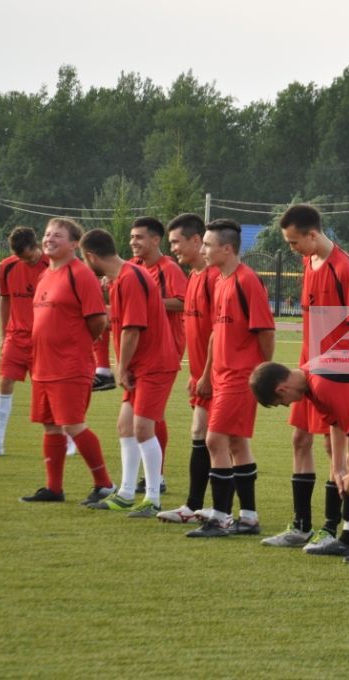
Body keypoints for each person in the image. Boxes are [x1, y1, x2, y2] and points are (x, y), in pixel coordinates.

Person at [262, 204, 349, 550]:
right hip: (307, 367)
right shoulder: (309, 262)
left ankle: (329, 527)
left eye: (295, 243)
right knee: (299, 441)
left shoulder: (343, 268)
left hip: (332, 371)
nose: (293, 249)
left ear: (313, 234)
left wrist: (341, 367)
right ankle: (301, 525)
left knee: (329, 445)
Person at [251, 356, 349, 564]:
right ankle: (348, 539)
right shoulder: (310, 380)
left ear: (282, 389)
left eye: (281, 402)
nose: (287, 404)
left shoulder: (323, 383)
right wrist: (339, 469)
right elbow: (337, 424)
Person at [80, 228, 179, 517]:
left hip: (154, 365)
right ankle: (124, 493)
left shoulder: (131, 278)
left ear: (91, 256)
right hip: (141, 364)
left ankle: (152, 498)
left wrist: (120, 367)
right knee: (125, 426)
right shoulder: (123, 277)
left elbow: (133, 329)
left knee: (143, 428)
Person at [186, 219, 275, 538]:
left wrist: (263, 372)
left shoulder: (246, 281)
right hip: (222, 376)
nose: (203, 250)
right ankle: (248, 518)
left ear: (226, 249)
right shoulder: (221, 280)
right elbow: (215, 334)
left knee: (214, 440)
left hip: (241, 377)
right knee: (236, 443)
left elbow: (265, 329)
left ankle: (220, 518)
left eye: (207, 245)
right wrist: (206, 373)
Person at [19, 217, 115, 504]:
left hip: (70, 365)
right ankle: (54, 489)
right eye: (47, 234)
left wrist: (77, 345)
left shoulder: (81, 274)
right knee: (50, 425)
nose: (49, 239)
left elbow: (98, 319)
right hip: (43, 366)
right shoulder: (45, 275)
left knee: (73, 424)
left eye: (57, 235)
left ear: (74, 243)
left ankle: (104, 485)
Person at [0, 227, 76, 458]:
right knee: (4, 383)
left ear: (37, 246)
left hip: (45, 341)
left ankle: (70, 439)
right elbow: (5, 300)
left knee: (52, 391)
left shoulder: (53, 267)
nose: (26, 261)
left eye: (30, 256)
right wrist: (3, 335)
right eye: (21, 257)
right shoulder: (7, 266)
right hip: (16, 336)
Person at [158, 213, 217, 524]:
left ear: (197, 241)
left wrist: (206, 373)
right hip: (201, 375)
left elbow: (219, 333)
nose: (174, 249)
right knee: (206, 436)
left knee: (217, 439)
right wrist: (195, 374)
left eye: (177, 242)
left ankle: (222, 510)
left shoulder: (214, 278)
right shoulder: (194, 277)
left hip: (219, 375)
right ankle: (197, 507)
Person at [128, 216, 188, 493]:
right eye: (131, 237)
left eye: (139, 237)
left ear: (155, 240)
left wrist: (146, 301)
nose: (134, 242)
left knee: (152, 414)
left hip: (163, 350)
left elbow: (181, 303)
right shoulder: (133, 267)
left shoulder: (169, 269)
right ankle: (138, 481)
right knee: (144, 415)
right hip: (139, 352)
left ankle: (156, 479)